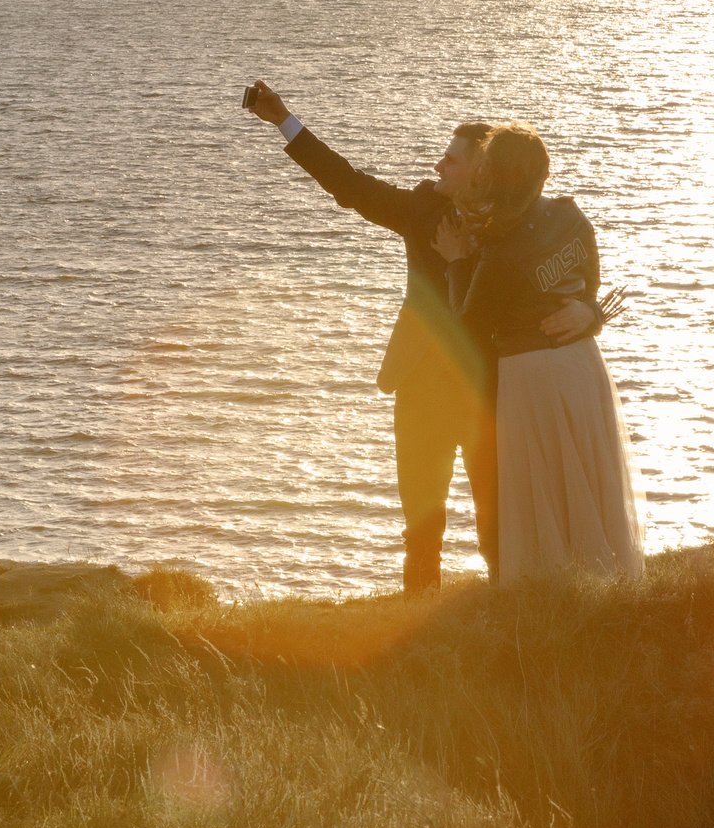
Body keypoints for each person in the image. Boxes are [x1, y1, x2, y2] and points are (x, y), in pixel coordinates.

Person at [239, 81, 595, 594]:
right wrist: (284, 121)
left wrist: (590, 312)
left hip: (490, 393)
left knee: (498, 516)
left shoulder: (515, 230)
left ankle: (507, 611)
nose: (436, 168)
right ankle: (419, 622)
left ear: (483, 171)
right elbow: (350, 185)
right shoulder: (421, 211)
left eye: (449, 161)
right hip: (421, 387)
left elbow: (559, 295)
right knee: (422, 525)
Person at [439, 123, 644, 583]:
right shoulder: (572, 217)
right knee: (588, 478)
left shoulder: (501, 247)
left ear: (497, 175)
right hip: (581, 364)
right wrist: (590, 313)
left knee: (543, 491)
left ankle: (550, 592)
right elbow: (589, 282)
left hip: (529, 375)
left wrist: (455, 264)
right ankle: (603, 581)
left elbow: (467, 329)